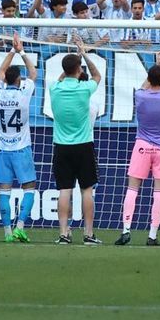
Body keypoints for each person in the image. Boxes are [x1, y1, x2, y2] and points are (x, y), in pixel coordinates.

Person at [117, 53, 160, 246]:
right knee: (159, 192)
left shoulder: (140, 96)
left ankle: (126, 229)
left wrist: (155, 69)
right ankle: (152, 235)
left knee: (133, 188)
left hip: (142, 145)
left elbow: (144, 86)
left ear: (150, 79)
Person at [51, 38, 103, 245]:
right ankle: (88, 234)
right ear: (79, 70)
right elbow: (97, 75)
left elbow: (61, 76)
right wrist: (83, 54)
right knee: (87, 190)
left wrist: (74, 63)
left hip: (61, 146)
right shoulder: (85, 89)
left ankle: (64, 233)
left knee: (64, 190)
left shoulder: (54, 88)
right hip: (83, 146)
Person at [0, 35, 38, 242]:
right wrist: (22, 51)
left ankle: (7, 233)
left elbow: (0, 72)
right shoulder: (24, 93)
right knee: (29, 187)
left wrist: (11, 51)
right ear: (19, 80)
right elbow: (34, 73)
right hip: (21, 148)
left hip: (3, 148)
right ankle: (20, 226)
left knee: (4, 191)